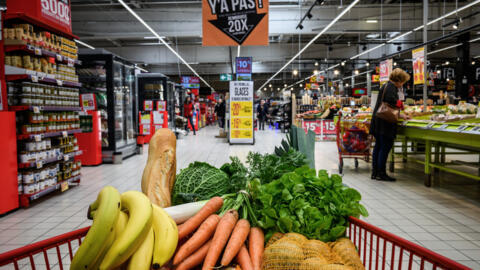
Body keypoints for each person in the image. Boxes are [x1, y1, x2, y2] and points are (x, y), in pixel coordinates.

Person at [370, 68, 411, 181]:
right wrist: (401, 113)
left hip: (378, 120)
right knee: (385, 147)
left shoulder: (385, 86)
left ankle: (375, 172)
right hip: (385, 122)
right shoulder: (392, 88)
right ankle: (381, 173)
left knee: (378, 147)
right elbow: (391, 105)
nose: (402, 84)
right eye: (403, 81)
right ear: (399, 80)